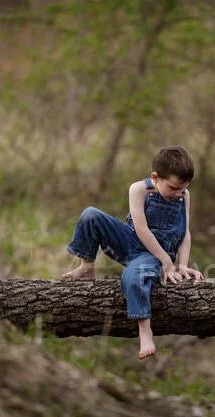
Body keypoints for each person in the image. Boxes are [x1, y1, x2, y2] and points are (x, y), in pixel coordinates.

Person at [61, 146, 203, 359]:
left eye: (183, 189)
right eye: (173, 188)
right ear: (155, 177)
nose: (178, 194)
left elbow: (185, 233)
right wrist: (167, 262)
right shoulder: (138, 189)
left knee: (133, 277)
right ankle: (86, 267)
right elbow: (141, 229)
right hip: (130, 240)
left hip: (152, 255)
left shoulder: (184, 197)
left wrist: (181, 264)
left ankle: (145, 330)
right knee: (90, 215)